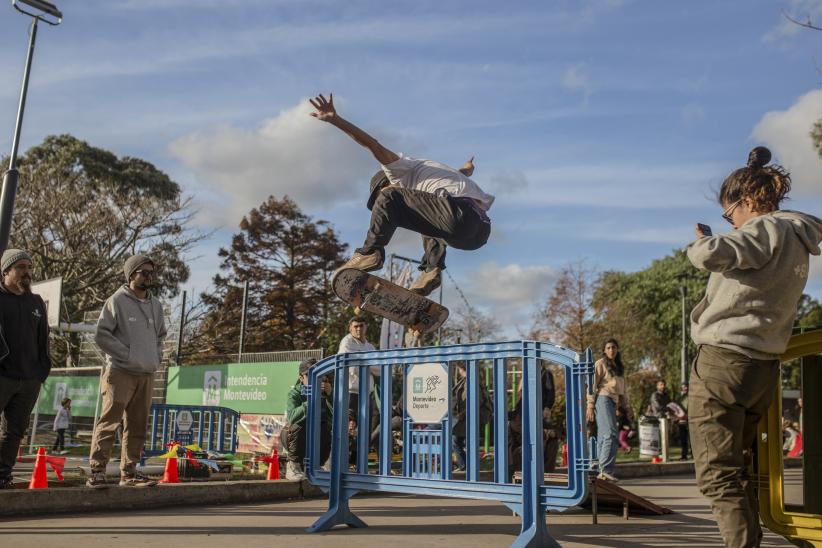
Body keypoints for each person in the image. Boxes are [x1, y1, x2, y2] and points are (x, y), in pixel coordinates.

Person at [687, 146, 822, 548]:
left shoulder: (765, 229)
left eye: (730, 216)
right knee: (736, 467)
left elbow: (713, 255)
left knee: (717, 474)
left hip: (724, 362)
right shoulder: (796, 238)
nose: (731, 225)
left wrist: (699, 244)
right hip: (761, 366)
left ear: (747, 202)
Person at [309, 93, 494, 295]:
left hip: (458, 215)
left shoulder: (398, 171)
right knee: (429, 221)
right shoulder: (431, 178)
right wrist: (468, 169)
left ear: (385, 181)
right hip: (478, 232)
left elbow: (371, 144)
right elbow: (460, 175)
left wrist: (336, 120)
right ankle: (431, 271)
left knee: (391, 198)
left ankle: (370, 253)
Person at [87, 255, 167, 488]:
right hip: (120, 371)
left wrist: (155, 357)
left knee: (137, 424)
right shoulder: (117, 300)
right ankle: (97, 471)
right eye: (143, 272)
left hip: (146, 373)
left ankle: (129, 472)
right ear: (131, 275)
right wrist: (128, 355)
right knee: (110, 421)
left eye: (151, 272)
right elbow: (102, 335)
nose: (148, 276)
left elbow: (161, 336)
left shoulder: (156, 305)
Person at [0, 249, 51, 489]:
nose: (27, 272)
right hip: (3, 376)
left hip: (29, 379)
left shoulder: (36, 302)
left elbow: (43, 340)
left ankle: (2, 475)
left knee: (15, 431)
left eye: (29, 267)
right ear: (6, 271)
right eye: (20, 267)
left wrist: (41, 372)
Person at [337, 317, 379, 466]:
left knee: (365, 430)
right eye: (355, 326)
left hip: (366, 394)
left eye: (361, 326)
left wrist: (360, 362)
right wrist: (368, 363)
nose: (358, 329)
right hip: (350, 394)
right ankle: (343, 462)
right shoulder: (346, 342)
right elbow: (346, 360)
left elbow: (379, 369)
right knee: (349, 429)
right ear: (350, 328)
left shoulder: (370, 346)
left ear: (366, 327)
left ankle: (358, 462)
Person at [586, 338, 629, 482]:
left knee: (604, 436)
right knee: (611, 434)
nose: (611, 350)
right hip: (603, 399)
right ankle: (606, 469)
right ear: (604, 350)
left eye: (614, 347)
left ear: (617, 350)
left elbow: (623, 389)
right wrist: (590, 405)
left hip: (613, 402)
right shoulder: (600, 364)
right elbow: (592, 385)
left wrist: (625, 407)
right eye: (609, 347)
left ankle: (600, 470)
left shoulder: (619, 367)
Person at [285, 359, 332, 480]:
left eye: (318, 375)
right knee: (299, 424)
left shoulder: (325, 392)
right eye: (309, 375)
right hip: (293, 435)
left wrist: (330, 397)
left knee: (327, 427)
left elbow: (335, 417)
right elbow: (291, 417)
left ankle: (318, 465)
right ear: (301, 378)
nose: (315, 379)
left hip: (316, 434)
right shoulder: (295, 393)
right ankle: (293, 465)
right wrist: (310, 400)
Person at [676, 383, 689, 461]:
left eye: (686, 387)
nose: (685, 388)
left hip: (690, 421)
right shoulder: (679, 398)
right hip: (681, 422)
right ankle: (684, 455)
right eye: (683, 387)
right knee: (683, 440)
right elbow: (676, 409)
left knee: (692, 440)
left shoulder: (692, 397)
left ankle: (694, 455)